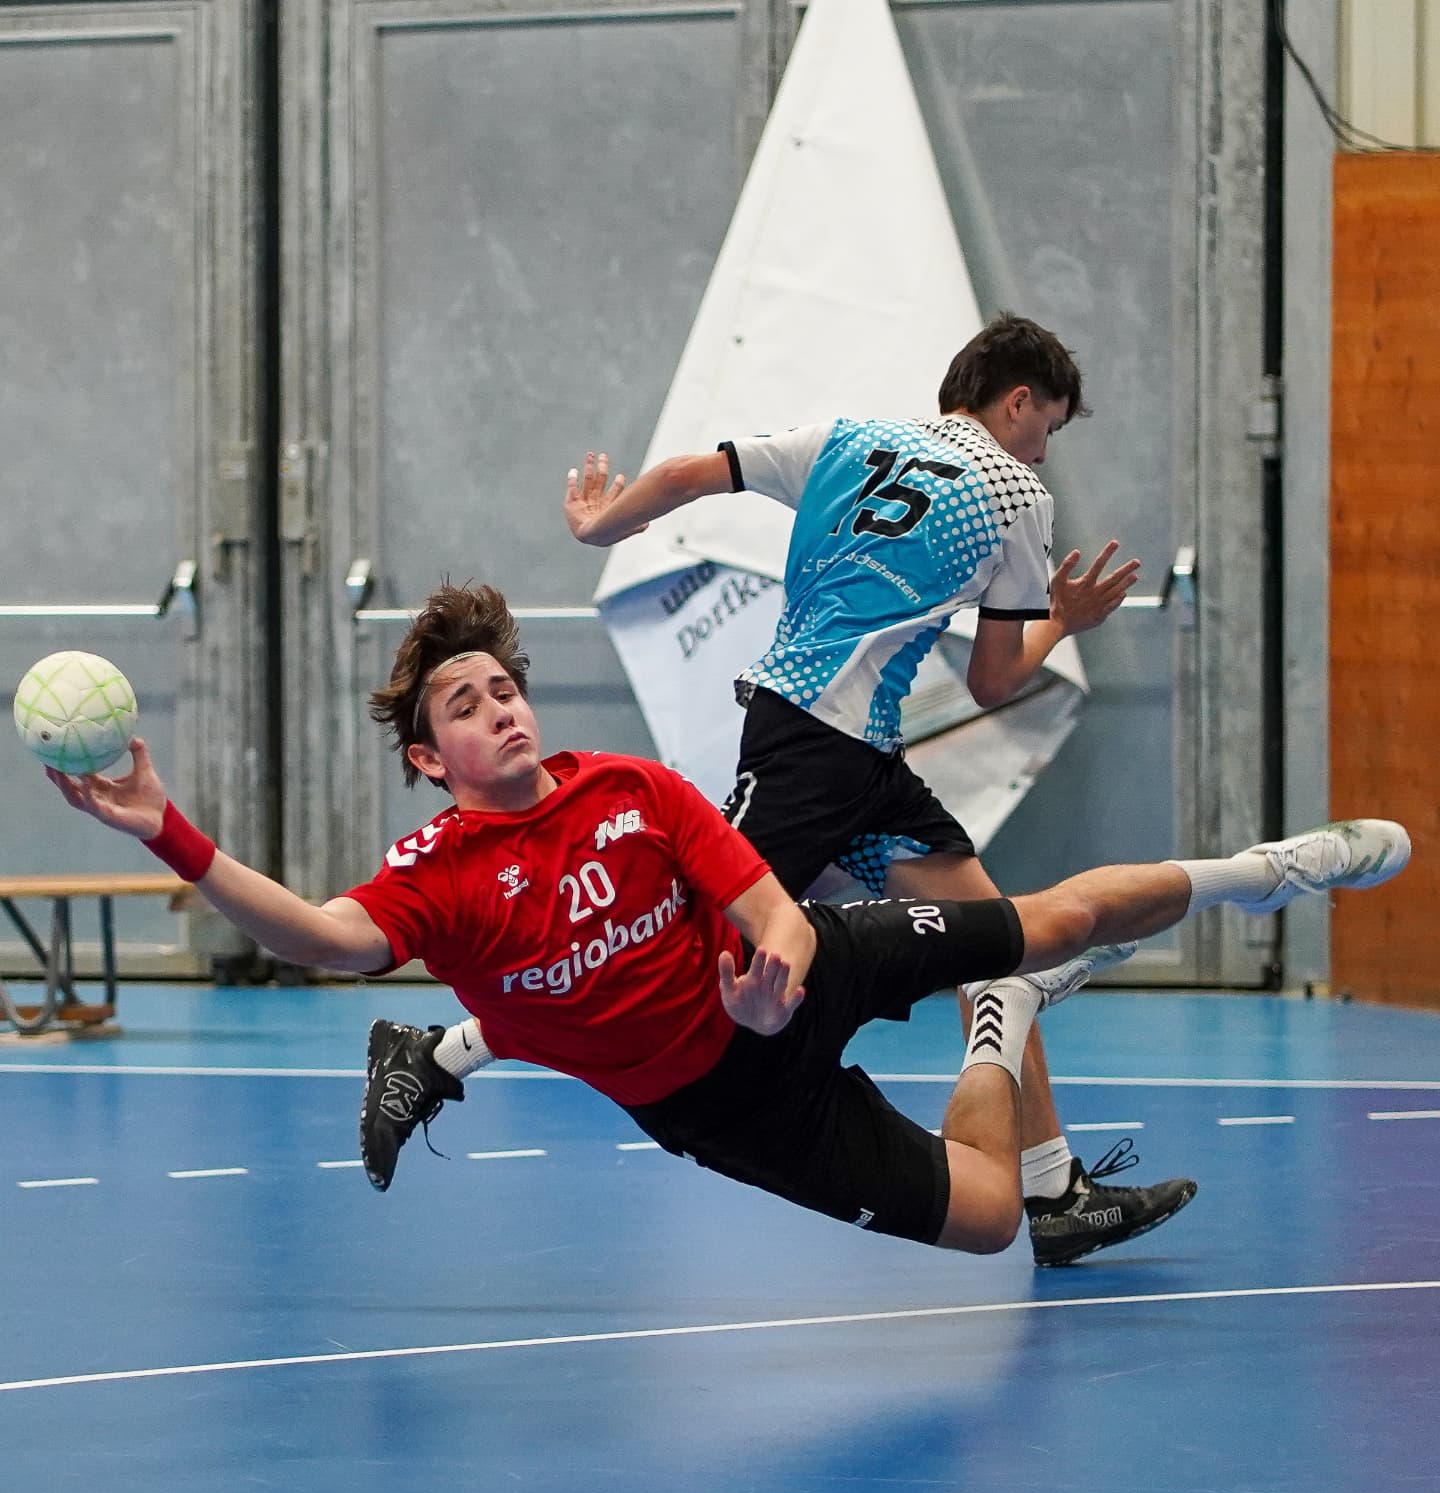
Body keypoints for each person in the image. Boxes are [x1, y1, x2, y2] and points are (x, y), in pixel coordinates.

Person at [45, 585, 1408, 1267]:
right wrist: (165, 826)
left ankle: (1261, 868)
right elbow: (318, 938)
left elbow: (769, 906)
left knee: (1038, 915)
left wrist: (780, 974)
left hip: (783, 998)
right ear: (426, 758)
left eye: (505, 685)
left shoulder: (635, 791)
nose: (502, 707)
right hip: (726, 1108)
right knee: (996, 1224)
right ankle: (1002, 1025)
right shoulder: (438, 877)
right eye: (464, 704)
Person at [389, 315, 1192, 1254]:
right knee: (682, 933)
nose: (1045, 445)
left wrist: (603, 523)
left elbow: (694, 474)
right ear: (1017, 402)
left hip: (847, 747)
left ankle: (1054, 1193)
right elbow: (995, 680)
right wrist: (1064, 619)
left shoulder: (847, 439)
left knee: (993, 946)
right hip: (820, 753)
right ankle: (437, 1053)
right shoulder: (1015, 489)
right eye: (1047, 423)